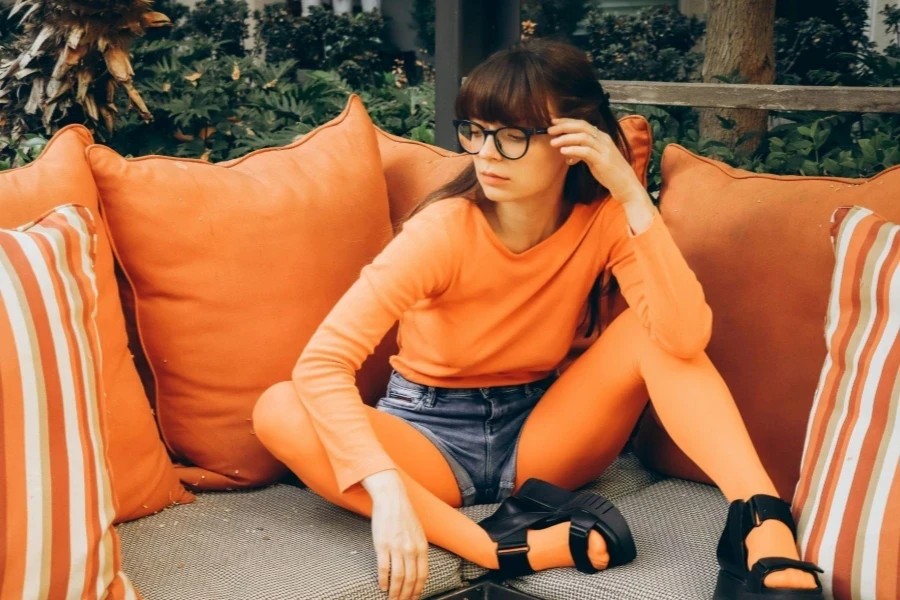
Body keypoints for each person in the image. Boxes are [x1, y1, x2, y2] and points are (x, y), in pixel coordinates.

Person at [252, 38, 825, 600]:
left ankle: (761, 521)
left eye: (514, 137)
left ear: (574, 141)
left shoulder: (603, 220)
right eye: (475, 132)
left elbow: (683, 335)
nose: (486, 155)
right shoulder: (443, 231)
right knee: (278, 407)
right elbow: (322, 364)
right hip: (423, 440)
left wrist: (629, 192)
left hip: (542, 436)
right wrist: (386, 489)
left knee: (651, 335)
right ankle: (491, 547)